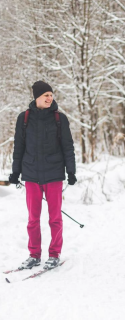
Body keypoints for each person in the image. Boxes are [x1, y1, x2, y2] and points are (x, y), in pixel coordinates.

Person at [8, 81, 77, 270]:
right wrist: (15, 172)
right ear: (36, 97)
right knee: (33, 219)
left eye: (51, 95)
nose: (49, 98)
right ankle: (34, 255)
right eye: (45, 95)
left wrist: (71, 170)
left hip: (54, 174)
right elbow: (19, 148)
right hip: (31, 174)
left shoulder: (59, 119)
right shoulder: (24, 118)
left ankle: (54, 254)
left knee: (55, 218)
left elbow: (67, 146)